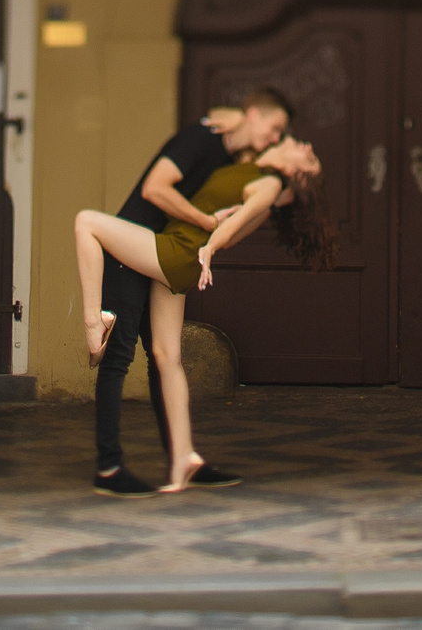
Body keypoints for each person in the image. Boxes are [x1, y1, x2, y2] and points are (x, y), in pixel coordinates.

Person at [72, 136, 336, 492]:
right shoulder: (254, 170)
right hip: (182, 259)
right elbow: (237, 218)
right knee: (168, 356)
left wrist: (210, 246)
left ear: (294, 174)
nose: (306, 145)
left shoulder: (271, 183)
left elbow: (233, 227)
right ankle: (183, 460)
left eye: (309, 157)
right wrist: (215, 227)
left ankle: (93, 323)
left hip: (179, 252)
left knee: (86, 222)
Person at [86, 89, 290, 497]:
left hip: (159, 256)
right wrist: (204, 220)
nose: (276, 137)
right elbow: (155, 190)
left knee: (164, 358)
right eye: (275, 128)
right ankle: (108, 468)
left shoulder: (230, 152)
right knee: (118, 356)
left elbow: (266, 181)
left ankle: (183, 459)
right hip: (130, 250)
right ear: (253, 115)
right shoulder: (198, 141)